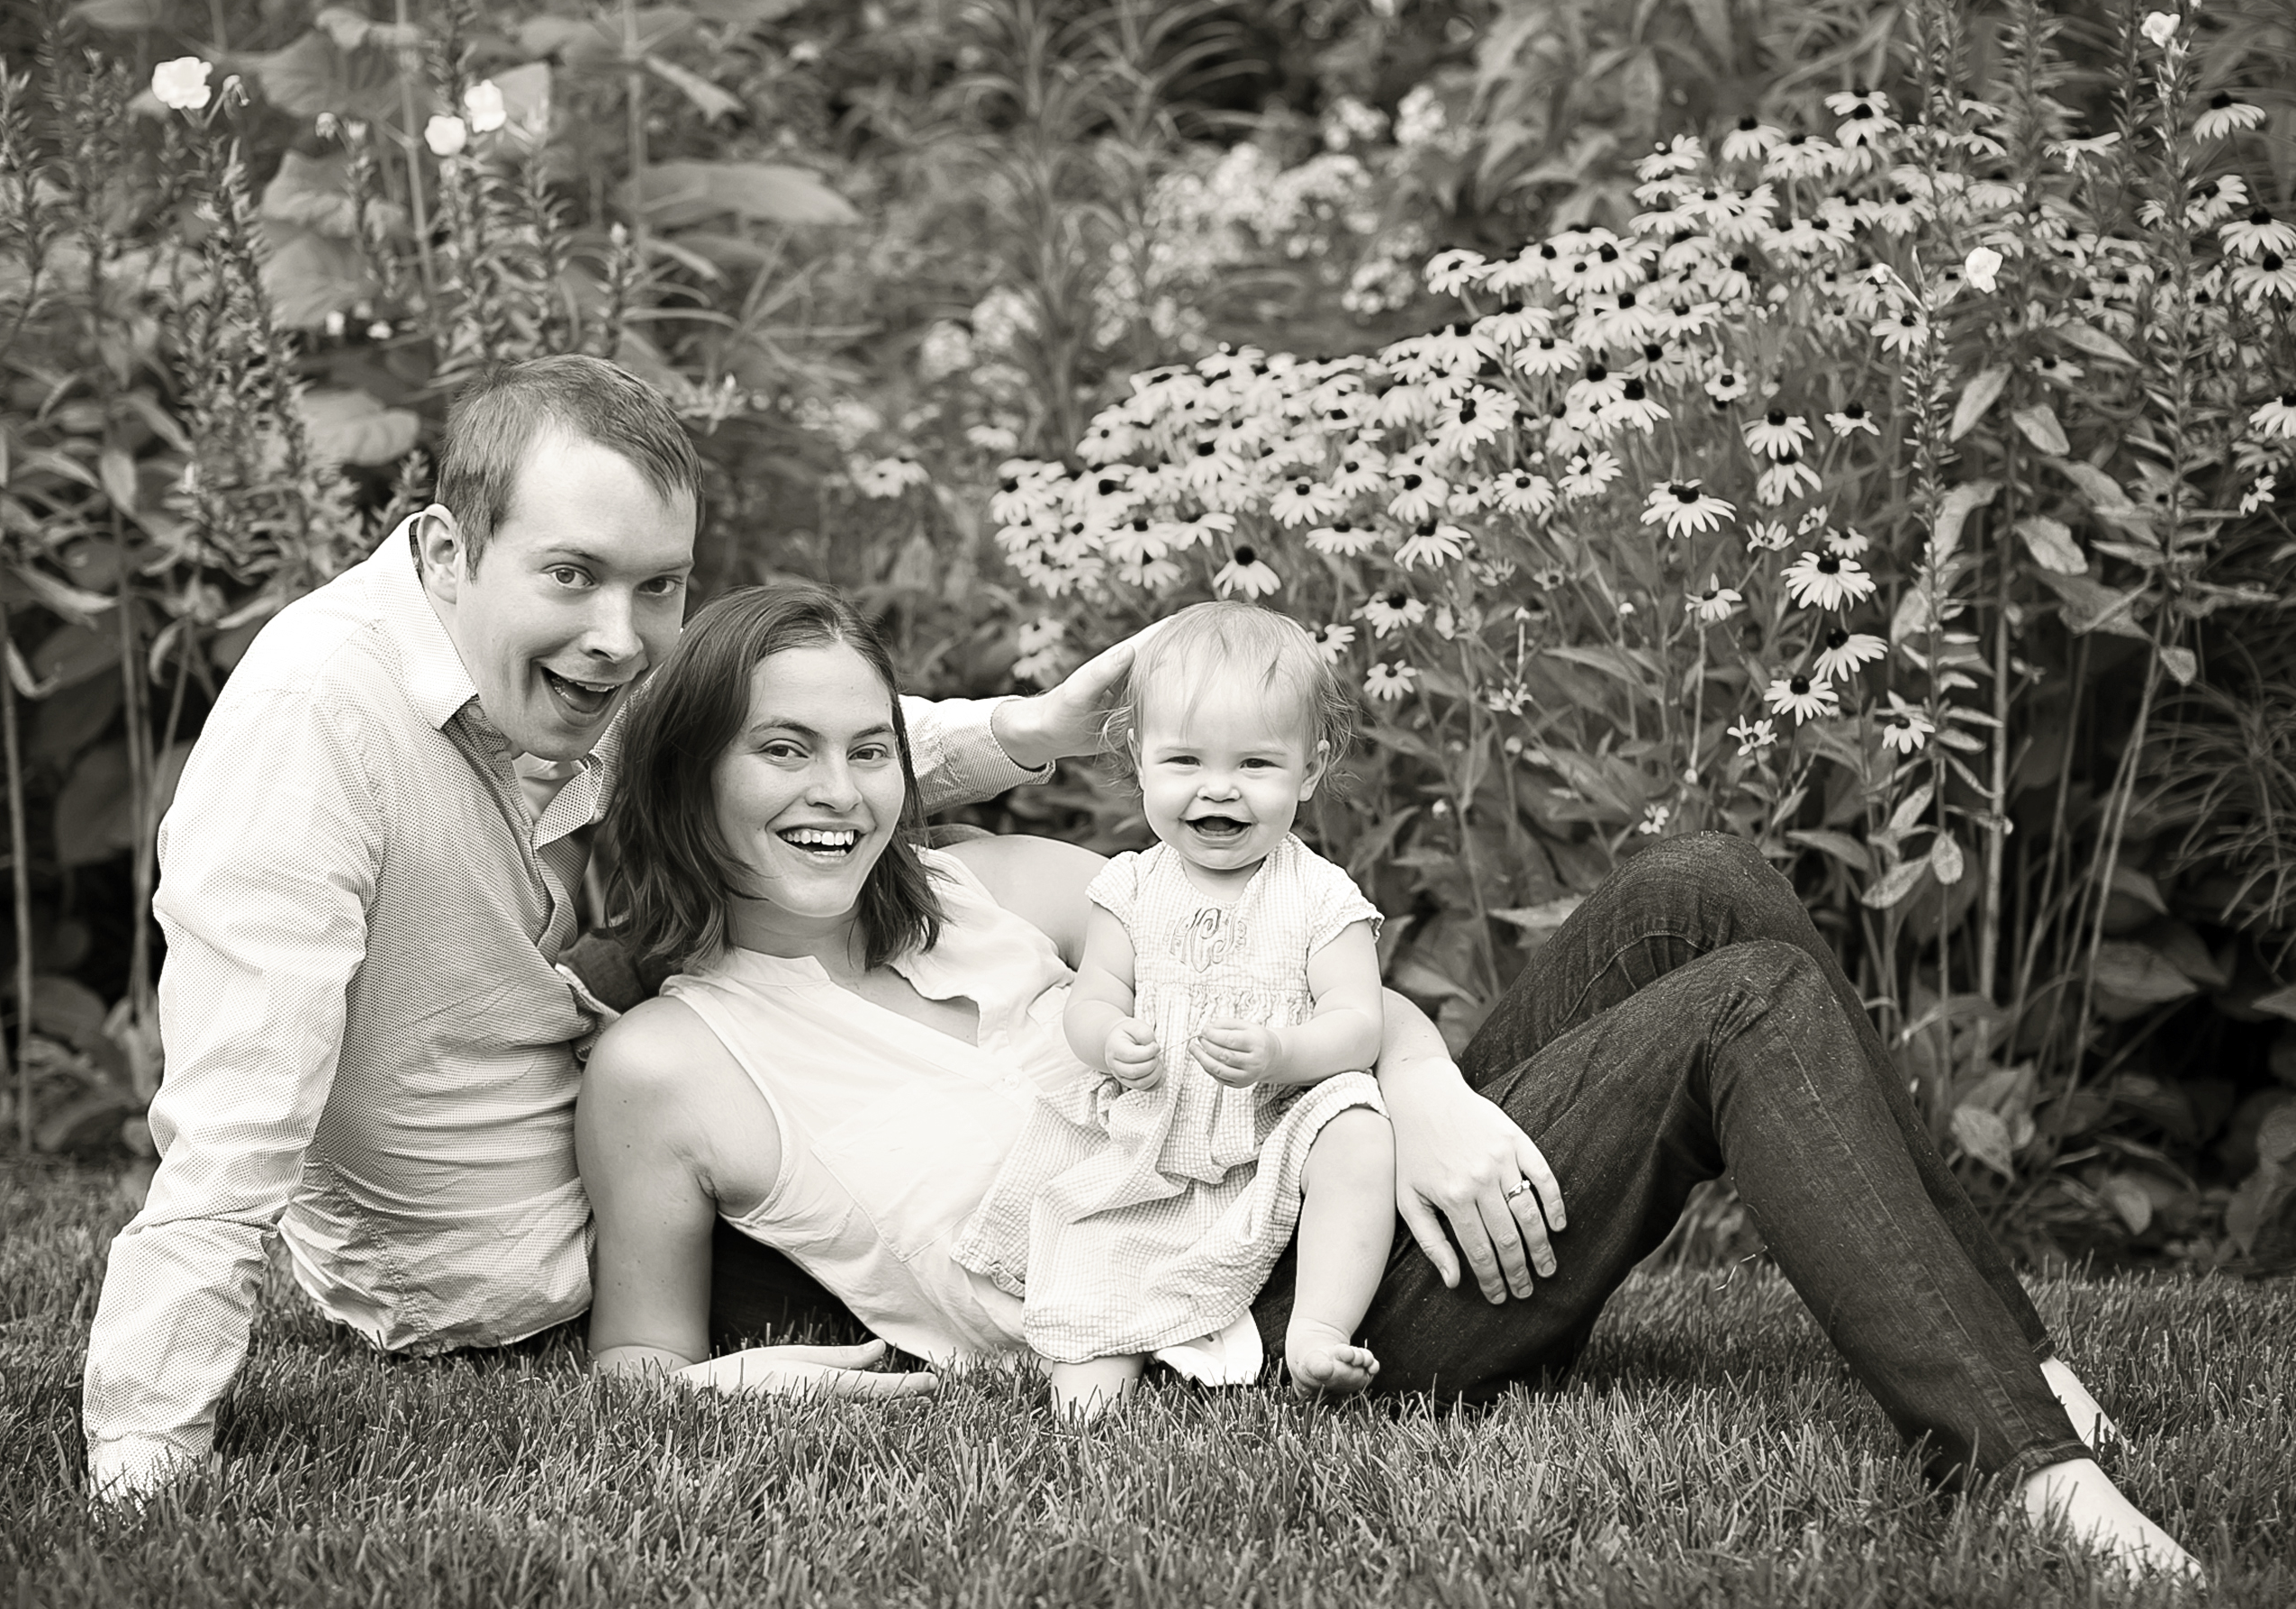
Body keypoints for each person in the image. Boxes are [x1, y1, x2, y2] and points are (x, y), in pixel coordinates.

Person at [578, 582, 2200, 1580]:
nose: (841, 792)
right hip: (1255, 1335)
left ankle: (2015, 1366)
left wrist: (1418, 1086)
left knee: (1698, 883)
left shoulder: (986, 882)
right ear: (686, 767)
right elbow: (634, 1367)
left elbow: (1298, 962)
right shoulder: (670, 1062)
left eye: (868, 747)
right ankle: (2034, 1471)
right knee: (1745, 1004)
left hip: (1339, 1165)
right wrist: (758, 1380)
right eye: (781, 749)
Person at [80, 356, 1146, 1505]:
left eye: (658, 587)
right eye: (572, 575)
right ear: (445, 553)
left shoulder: (563, 661)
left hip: (691, 1181)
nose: (620, 639)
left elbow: (775, 750)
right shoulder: (316, 727)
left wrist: (1025, 732)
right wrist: (148, 1444)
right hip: (519, 1288)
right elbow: (236, 1110)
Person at [950, 602, 1395, 1415]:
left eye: (1256, 763)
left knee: (1358, 1131)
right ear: (1139, 759)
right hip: (1151, 1134)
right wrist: (1109, 1040)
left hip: (1277, 1123)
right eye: (1184, 759)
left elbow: (1359, 1023)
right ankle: (1088, 1395)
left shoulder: (1321, 896)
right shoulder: (1128, 888)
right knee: (1095, 1248)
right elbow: (1092, 999)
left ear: (1310, 769)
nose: (1217, 787)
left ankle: (1319, 1327)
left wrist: (1283, 1052)